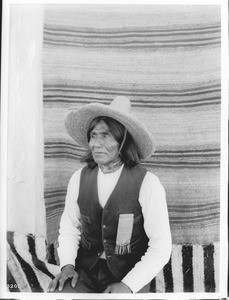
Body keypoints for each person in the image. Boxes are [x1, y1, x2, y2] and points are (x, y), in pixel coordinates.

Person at [48, 96, 172, 294]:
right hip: (84, 272)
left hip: (128, 274)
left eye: (105, 135)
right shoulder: (79, 178)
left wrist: (128, 285)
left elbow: (161, 245)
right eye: (93, 135)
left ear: (123, 141)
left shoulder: (148, 183)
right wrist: (68, 266)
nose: (96, 143)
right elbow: (70, 226)